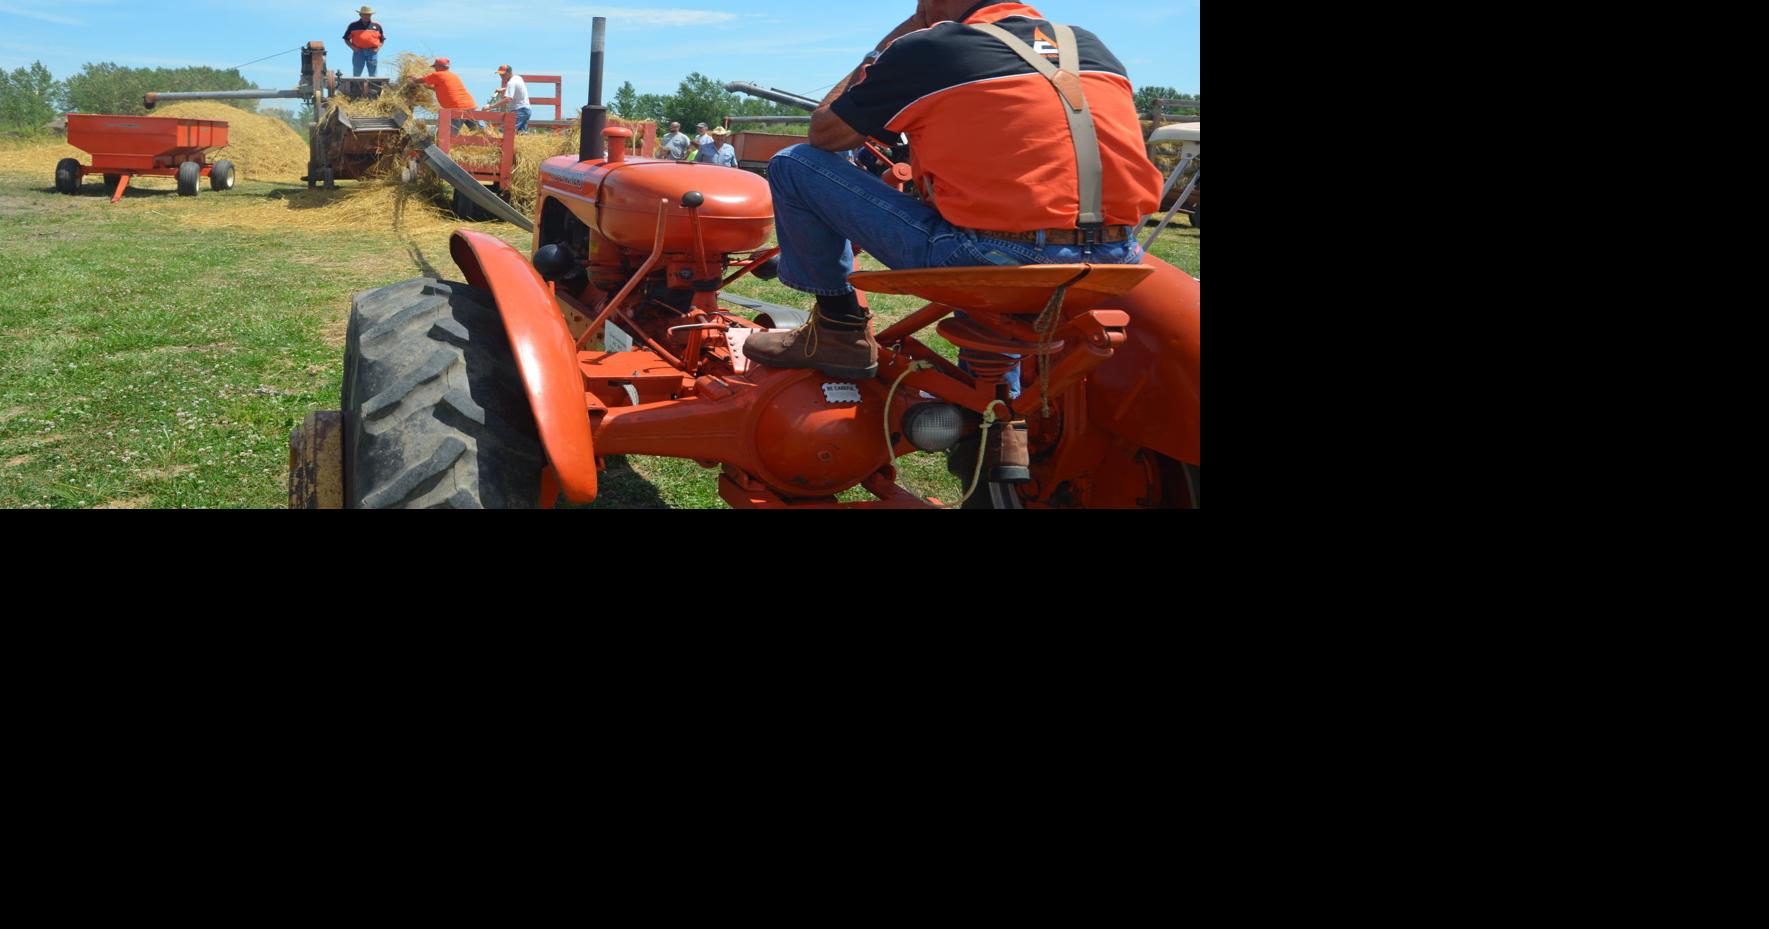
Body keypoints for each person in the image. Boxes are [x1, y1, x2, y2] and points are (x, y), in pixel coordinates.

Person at [743, 0, 1160, 390]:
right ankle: (997, 418)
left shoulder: (930, 47)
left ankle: (838, 329)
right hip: (1120, 257)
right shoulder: (1088, 45)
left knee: (795, 162)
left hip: (995, 257)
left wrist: (892, 42)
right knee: (982, 231)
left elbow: (825, 133)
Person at [417, 58, 480, 133]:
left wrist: (411, 78)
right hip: (470, 106)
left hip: (457, 108)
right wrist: (428, 87)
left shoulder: (437, 75)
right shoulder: (453, 76)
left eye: (435, 67)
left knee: (447, 135)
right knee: (477, 131)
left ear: (439, 66)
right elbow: (444, 89)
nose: (435, 69)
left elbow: (419, 80)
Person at [343, 6, 386, 77]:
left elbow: (382, 39)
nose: (367, 16)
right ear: (360, 15)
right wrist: (352, 47)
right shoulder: (353, 25)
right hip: (358, 52)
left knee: (373, 74)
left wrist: (378, 48)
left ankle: (373, 88)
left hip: (372, 52)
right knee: (357, 73)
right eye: (365, 14)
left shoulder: (377, 26)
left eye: (369, 15)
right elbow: (346, 38)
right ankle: (356, 87)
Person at [491, 65, 532, 132]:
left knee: (505, 131)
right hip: (526, 110)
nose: (501, 76)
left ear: (509, 73)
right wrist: (504, 89)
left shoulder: (511, 83)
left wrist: (491, 106)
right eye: (500, 74)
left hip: (519, 111)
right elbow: (517, 88)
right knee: (520, 134)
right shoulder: (518, 78)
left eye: (503, 75)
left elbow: (508, 99)